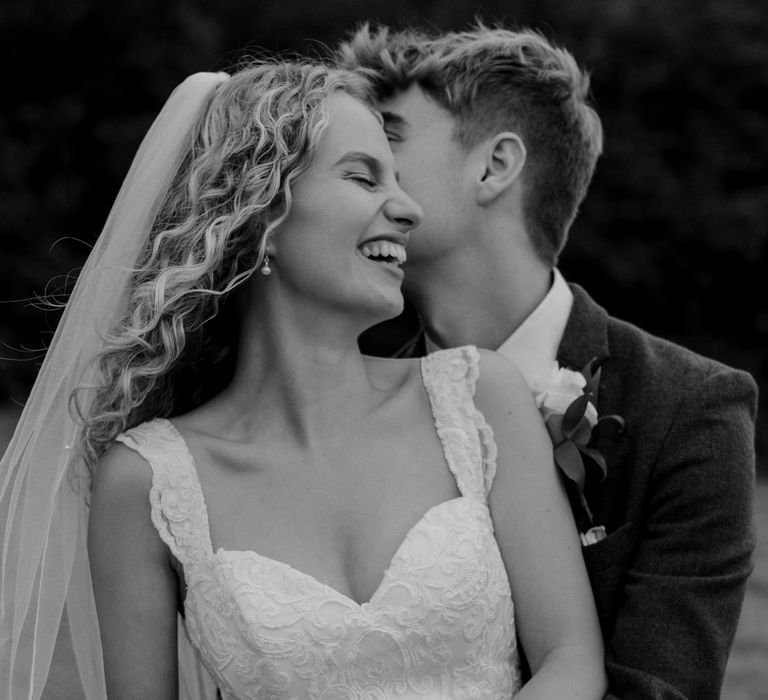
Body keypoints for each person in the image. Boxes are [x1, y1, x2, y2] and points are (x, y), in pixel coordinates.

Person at [0, 59, 608, 699]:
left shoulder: (479, 396)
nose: (407, 209)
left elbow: (570, 658)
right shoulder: (148, 481)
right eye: (362, 177)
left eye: (398, 179)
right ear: (261, 215)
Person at [337, 23, 758, 700]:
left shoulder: (690, 410)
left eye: (388, 140)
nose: (357, 170)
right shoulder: (330, 374)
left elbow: (655, 690)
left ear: (495, 167)